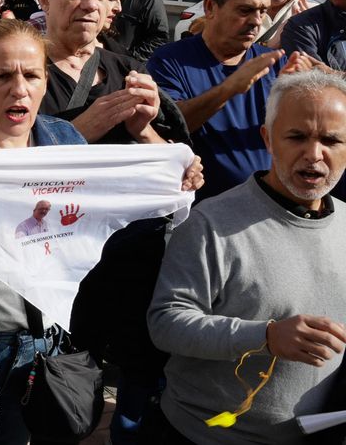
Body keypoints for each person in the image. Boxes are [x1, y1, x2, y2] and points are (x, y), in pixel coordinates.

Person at [0, 19, 203, 445]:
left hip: (45, 344)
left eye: (31, 75)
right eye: (2, 75)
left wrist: (170, 175)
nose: (19, 88)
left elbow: (107, 212)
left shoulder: (63, 139)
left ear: (43, 82)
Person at [148, 69, 346, 445]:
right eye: (297, 137)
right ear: (268, 139)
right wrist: (266, 336)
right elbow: (165, 323)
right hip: (202, 436)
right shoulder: (210, 223)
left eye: (331, 140)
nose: (314, 154)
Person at [147, 0, 311, 202]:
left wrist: (302, 96)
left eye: (263, 11)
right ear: (211, 7)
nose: (256, 21)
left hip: (268, 206)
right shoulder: (169, 61)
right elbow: (170, 125)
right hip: (200, 211)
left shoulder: (274, 63)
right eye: (245, 10)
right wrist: (229, 89)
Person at [38, 0, 186, 146]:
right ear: (45, 0)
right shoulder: (17, 72)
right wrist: (78, 132)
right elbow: (0, 158)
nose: (91, 5)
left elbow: (168, 157)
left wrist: (143, 131)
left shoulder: (130, 72)